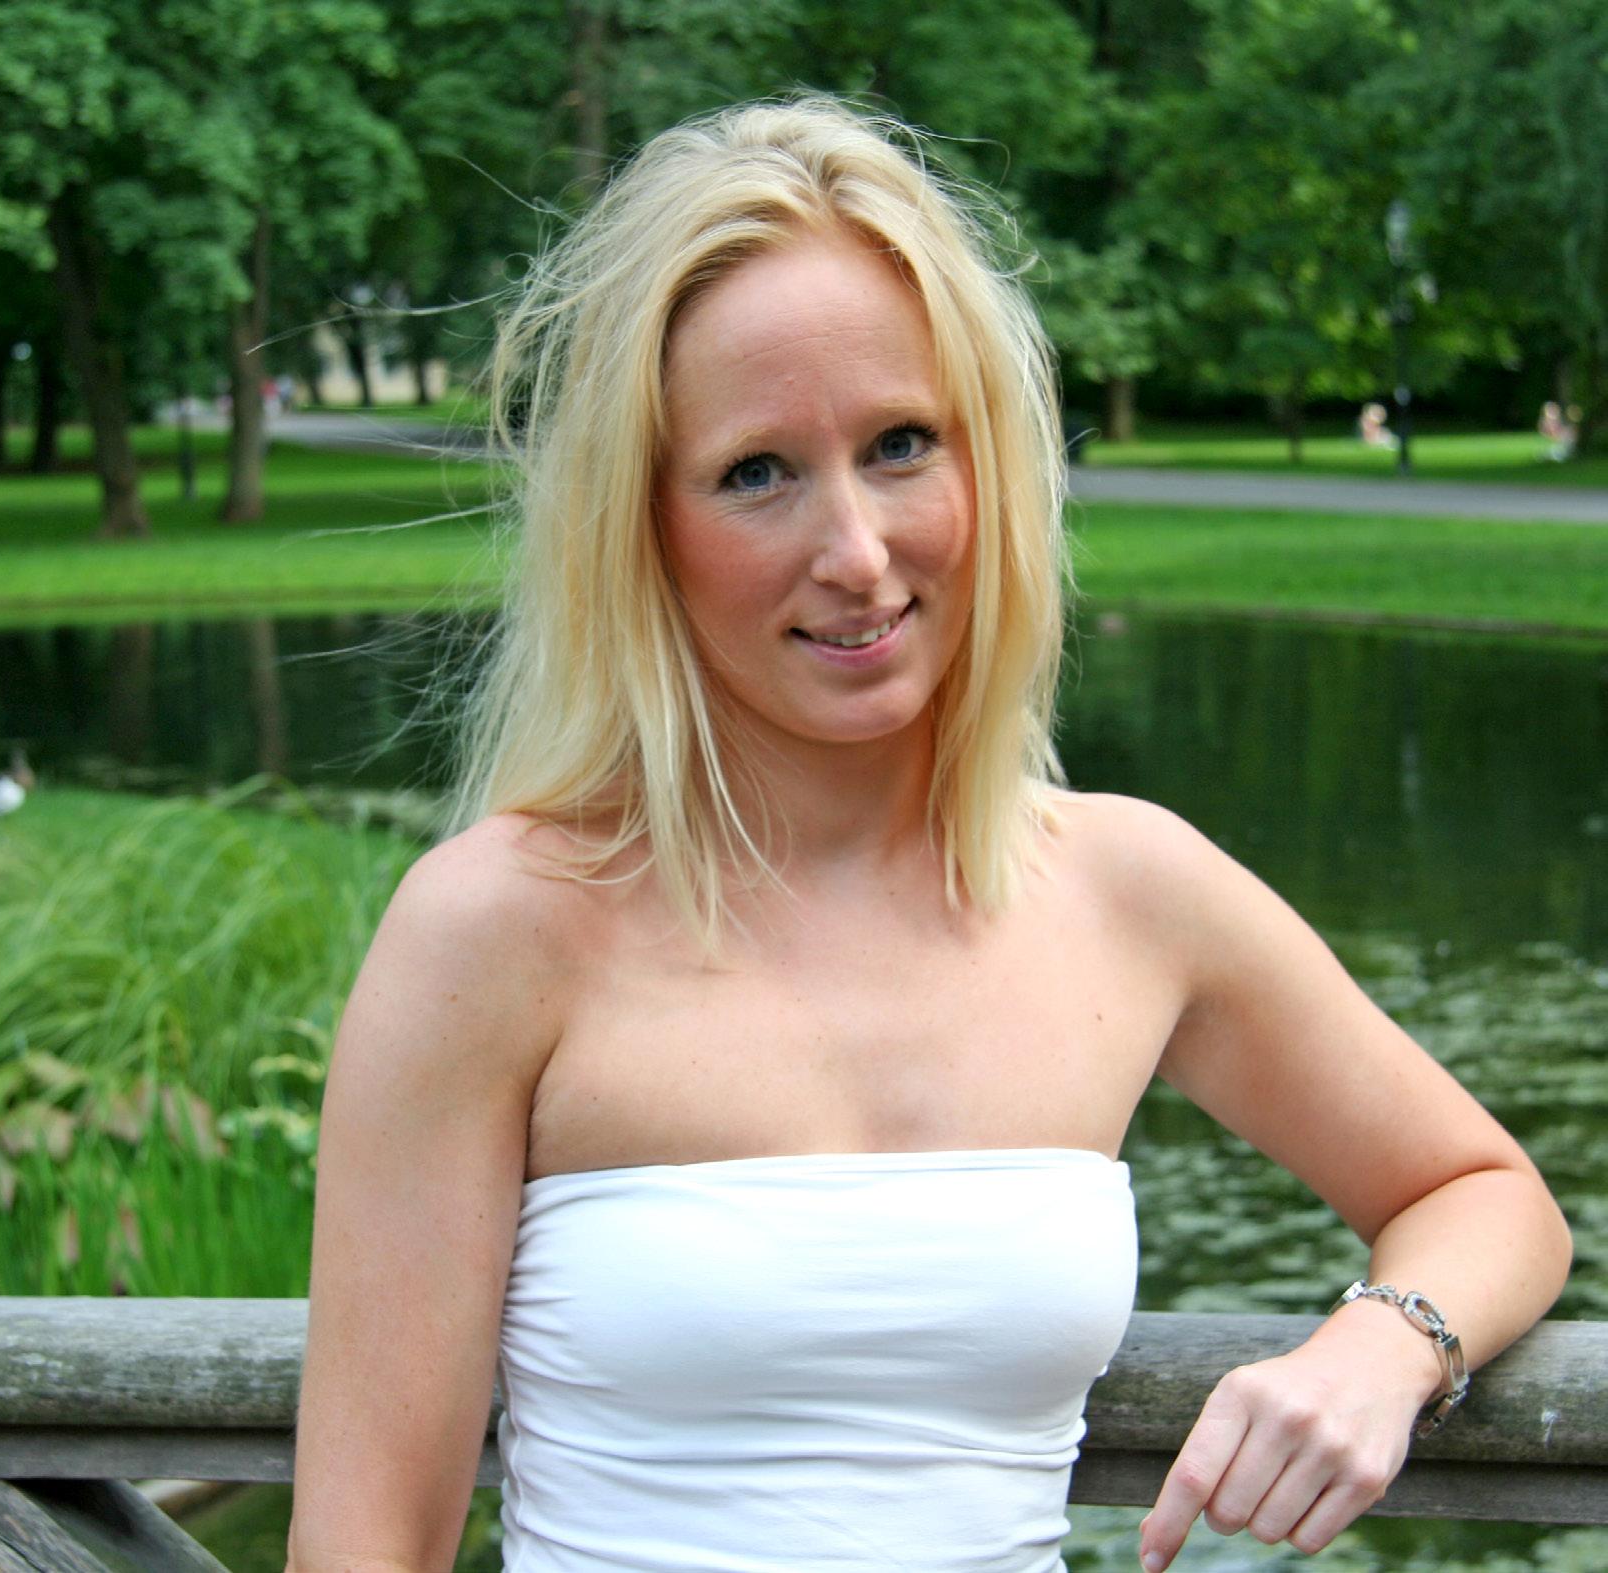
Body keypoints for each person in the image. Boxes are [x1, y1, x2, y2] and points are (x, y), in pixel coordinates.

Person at [287, 98, 1571, 1573]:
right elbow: (364, 1546)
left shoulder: (1126, 888)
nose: (855, 551)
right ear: (642, 528)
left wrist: (1382, 1346)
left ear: (988, 466)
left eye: (901, 444)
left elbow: (1485, 1196)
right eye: (757, 472)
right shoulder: (494, 928)